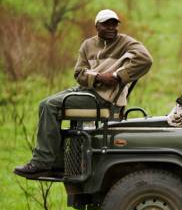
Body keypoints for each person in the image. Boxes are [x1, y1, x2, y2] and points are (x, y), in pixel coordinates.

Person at [14, 9, 153, 178]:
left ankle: (42, 162)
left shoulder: (126, 42)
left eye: (114, 24)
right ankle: (55, 162)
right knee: (44, 103)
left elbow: (146, 60)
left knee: (51, 106)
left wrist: (118, 76)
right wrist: (99, 77)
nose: (111, 28)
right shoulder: (88, 45)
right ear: (96, 26)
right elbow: (79, 74)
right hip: (86, 91)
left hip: (104, 98)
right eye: (106, 24)